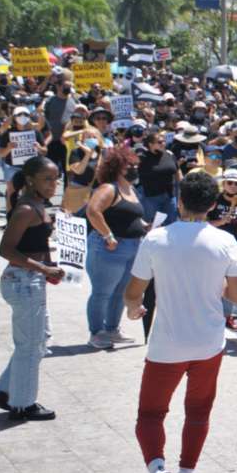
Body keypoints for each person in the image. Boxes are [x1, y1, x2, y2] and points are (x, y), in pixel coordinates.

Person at [122, 171, 237, 473]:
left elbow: (133, 293)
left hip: (166, 343)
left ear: (179, 202)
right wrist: (218, 284)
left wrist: (134, 310)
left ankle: (159, 471)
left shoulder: (156, 239)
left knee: (149, 415)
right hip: (208, 343)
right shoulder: (224, 242)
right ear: (212, 204)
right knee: (198, 413)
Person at [0, 157, 63, 421]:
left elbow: (37, 244)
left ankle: (2, 391)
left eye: (55, 179)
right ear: (31, 180)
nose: (54, 185)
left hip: (32, 281)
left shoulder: (39, 204)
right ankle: (22, 405)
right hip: (22, 281)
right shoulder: (26, 208)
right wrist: (44, 269)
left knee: (39, 341)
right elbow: (5, 249)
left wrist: (51, 266)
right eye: (47, 179)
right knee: (30, 346)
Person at [84, 145, 148, 350]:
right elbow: (93, 211)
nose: (135, 168)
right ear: (119, 166)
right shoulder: (109, 188)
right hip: (109, 248)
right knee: (102, 292)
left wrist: (144, 226)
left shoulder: (131, 189)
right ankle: (96, 333)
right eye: (131, 165)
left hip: (131, 247)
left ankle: (112, 329)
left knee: (120, 291)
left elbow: (131, 216)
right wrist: (107, 235)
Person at [207, 169, 237, 329]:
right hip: (219, 247)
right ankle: (222, 315)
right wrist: (221, 222)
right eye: (230, 183)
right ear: (224, 183)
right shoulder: (214, 201)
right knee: (220, 282)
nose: (233, 186)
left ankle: (230, 313)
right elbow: (204, 223)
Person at [139, 128, 181, 226]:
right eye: (159, 142)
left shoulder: (169, 154)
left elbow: (177, 172)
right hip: (151, 198)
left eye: (164, 141)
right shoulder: (142, 158)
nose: (163, 143)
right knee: (148, 225)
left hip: (170, 196)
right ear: (150, 144)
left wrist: (181, 190)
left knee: (171, 225)